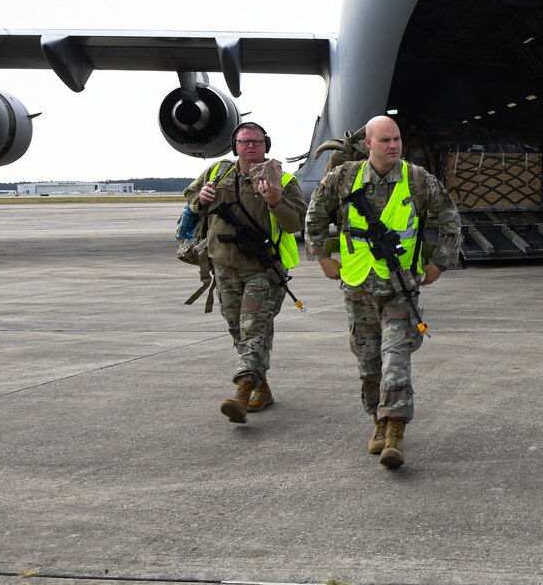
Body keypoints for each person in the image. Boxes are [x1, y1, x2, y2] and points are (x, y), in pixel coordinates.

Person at [306, 115, 462, 468]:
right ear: (368, 144)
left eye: (397, 139)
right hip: (358, 285)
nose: (393, 146)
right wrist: (322, 257)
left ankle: (395, 432)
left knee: (396, 358)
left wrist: (439, 263)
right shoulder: (343, 177)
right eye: (385, 140)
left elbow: (450, 221)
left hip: (400, 288)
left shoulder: (419, 180)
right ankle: (378, 422)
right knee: (369, 362)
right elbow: (314, 216)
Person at [186, 122, 307, 423]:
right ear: (235, 145)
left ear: (267, 145)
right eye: (244, 141)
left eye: (257, 141)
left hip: (262, 269)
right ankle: (261, 388)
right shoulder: (217, 173)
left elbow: (296, 224)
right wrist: (201, 198)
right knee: (238, 330)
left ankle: (242, 392)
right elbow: (190, 200)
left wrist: (275, 201)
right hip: (224, 268)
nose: (250, 146)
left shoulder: (284, 179)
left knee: (253, 328)